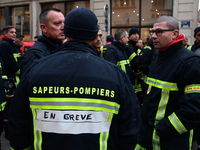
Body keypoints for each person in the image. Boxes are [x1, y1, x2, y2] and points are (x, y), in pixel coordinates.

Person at [9, 7, 141, 150]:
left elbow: (18, 126)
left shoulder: (36, 69)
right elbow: (130, 128)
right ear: (94, 35)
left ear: (66, 32)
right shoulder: (115, 75)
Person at [134, 16, 200, 150]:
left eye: (159, 32)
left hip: (171, 141)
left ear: (175, 34)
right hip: (147, 137)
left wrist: (162, 130)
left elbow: (193, 109)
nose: (153, 36)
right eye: (153, 32)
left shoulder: (190, 62)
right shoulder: (158, 57)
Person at [20, 8, 65, 78]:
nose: (63, 27)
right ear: (43, 28)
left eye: (64, 23)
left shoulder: (62, 48)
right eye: (57, 23)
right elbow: (28, 84)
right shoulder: (35, 54)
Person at [0, 26, 20, 95]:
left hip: (14, 77)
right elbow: (10, 62)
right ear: (5, 33)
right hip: (9, 78)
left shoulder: (12, 45)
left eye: (15, 32)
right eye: (11, 32)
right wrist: (20, 70)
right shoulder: (4, 45)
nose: (14, 34)